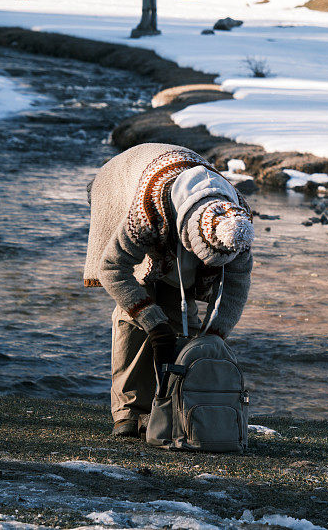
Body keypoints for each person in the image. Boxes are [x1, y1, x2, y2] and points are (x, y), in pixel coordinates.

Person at [84, 143, 254, 437]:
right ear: (188, 236)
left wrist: (214, 335)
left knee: (181, 317)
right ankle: (128, 413)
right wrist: (152, 320)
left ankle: (167, 410)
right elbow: (112, 269)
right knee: (135, 312)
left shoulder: (237, 225)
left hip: (173, 201)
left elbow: (236, 286)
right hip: (124, 181)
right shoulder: (148, 213)